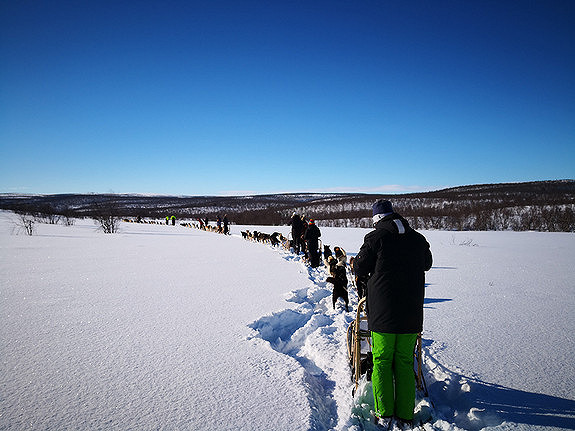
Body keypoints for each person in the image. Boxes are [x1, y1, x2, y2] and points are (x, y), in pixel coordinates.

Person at [353, 200, 432, 427]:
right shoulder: (417, 239)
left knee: (382, 361)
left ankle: (384, 413)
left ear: (377, 218)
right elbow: (427, 263)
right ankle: (406, 414)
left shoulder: (375, 239)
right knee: (406, 363)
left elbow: (359, 267)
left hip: (383, 315)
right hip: (411, 315)